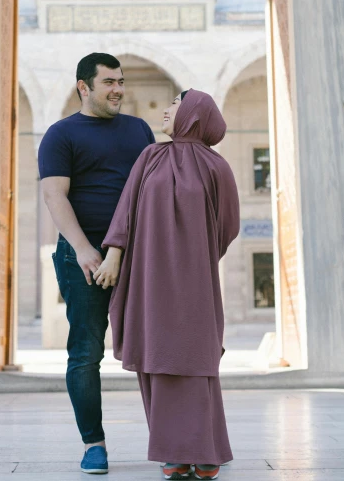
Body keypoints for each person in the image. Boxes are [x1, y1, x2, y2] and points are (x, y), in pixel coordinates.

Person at [94, 89, 240, 481]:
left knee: (196, 357)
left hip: (196, 280)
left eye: (175, 104)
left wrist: (195, 257)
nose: (166, 110)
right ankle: (174, 453)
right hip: (149, 275)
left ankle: (204, 451)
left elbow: (227, 226)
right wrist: (114, 255)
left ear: (193, 113)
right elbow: (126, 210)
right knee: (158, 354)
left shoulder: (217, 167)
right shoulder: (150, 156)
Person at [39, 53, 155, 475]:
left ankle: (172, 440)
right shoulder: (60, 134)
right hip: (81, 258)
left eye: (121, 81)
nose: (118, 89)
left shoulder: (139, 130)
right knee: (86, 354)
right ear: (83, 87)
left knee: (156, 351)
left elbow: (150, 190)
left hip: (136, 256)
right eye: (108, 82)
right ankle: (94, 445)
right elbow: (55, 197)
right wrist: (87, 250)